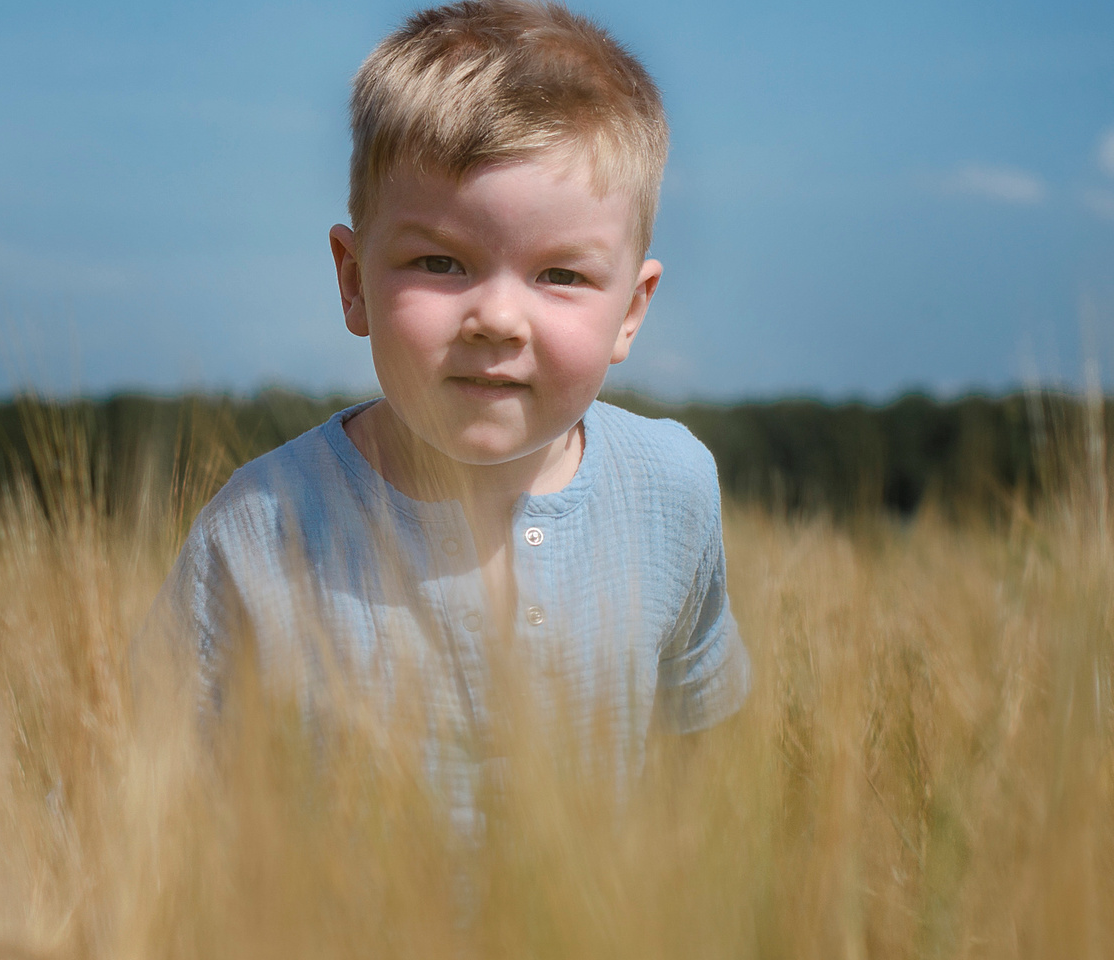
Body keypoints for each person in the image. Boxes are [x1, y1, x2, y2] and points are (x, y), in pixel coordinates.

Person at [156, 0, 748, 788]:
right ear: (352, 279)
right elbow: (136, 796)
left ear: (630, 313)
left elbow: (698, 757)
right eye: (440, 264)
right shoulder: (262, 530)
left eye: (561, 275)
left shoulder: (672, 488)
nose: (498, 318)